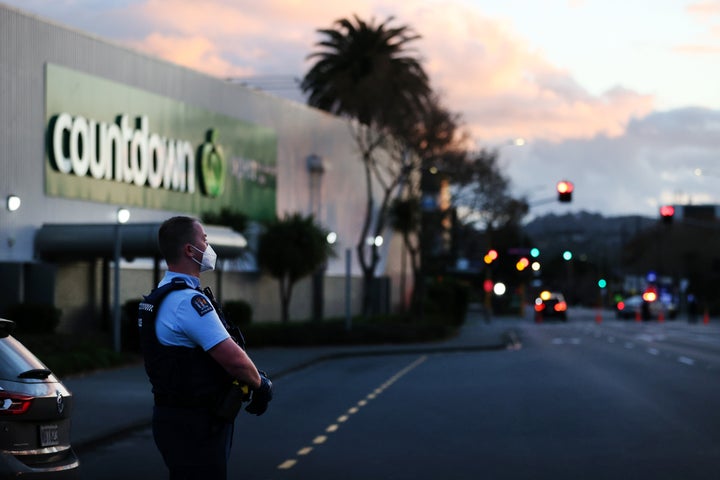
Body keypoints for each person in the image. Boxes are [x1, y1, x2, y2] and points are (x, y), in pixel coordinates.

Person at [138, 216, 272, 480]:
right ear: (190, 249)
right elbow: (234, 360)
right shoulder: (188, 303)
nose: (208, 247)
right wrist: (262, 386)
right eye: (205, 240)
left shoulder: (163, 294)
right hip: (195, 423)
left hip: (174, 418)